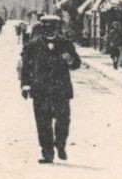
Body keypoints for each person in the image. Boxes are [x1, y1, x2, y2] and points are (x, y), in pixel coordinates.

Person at [20, 14, 81, 164]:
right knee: (42, 121)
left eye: (53, 27)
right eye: (46, 27)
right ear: (42, 28)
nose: (49, 31)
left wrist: (70, 60)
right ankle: (47, 151)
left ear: (57, 28)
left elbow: (76, 64)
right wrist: (25, 84)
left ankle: (60, 144)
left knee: (63, 120)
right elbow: (26, 67)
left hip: (61, 89)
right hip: (40, 89)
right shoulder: (33, 45)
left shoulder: (66, 44)